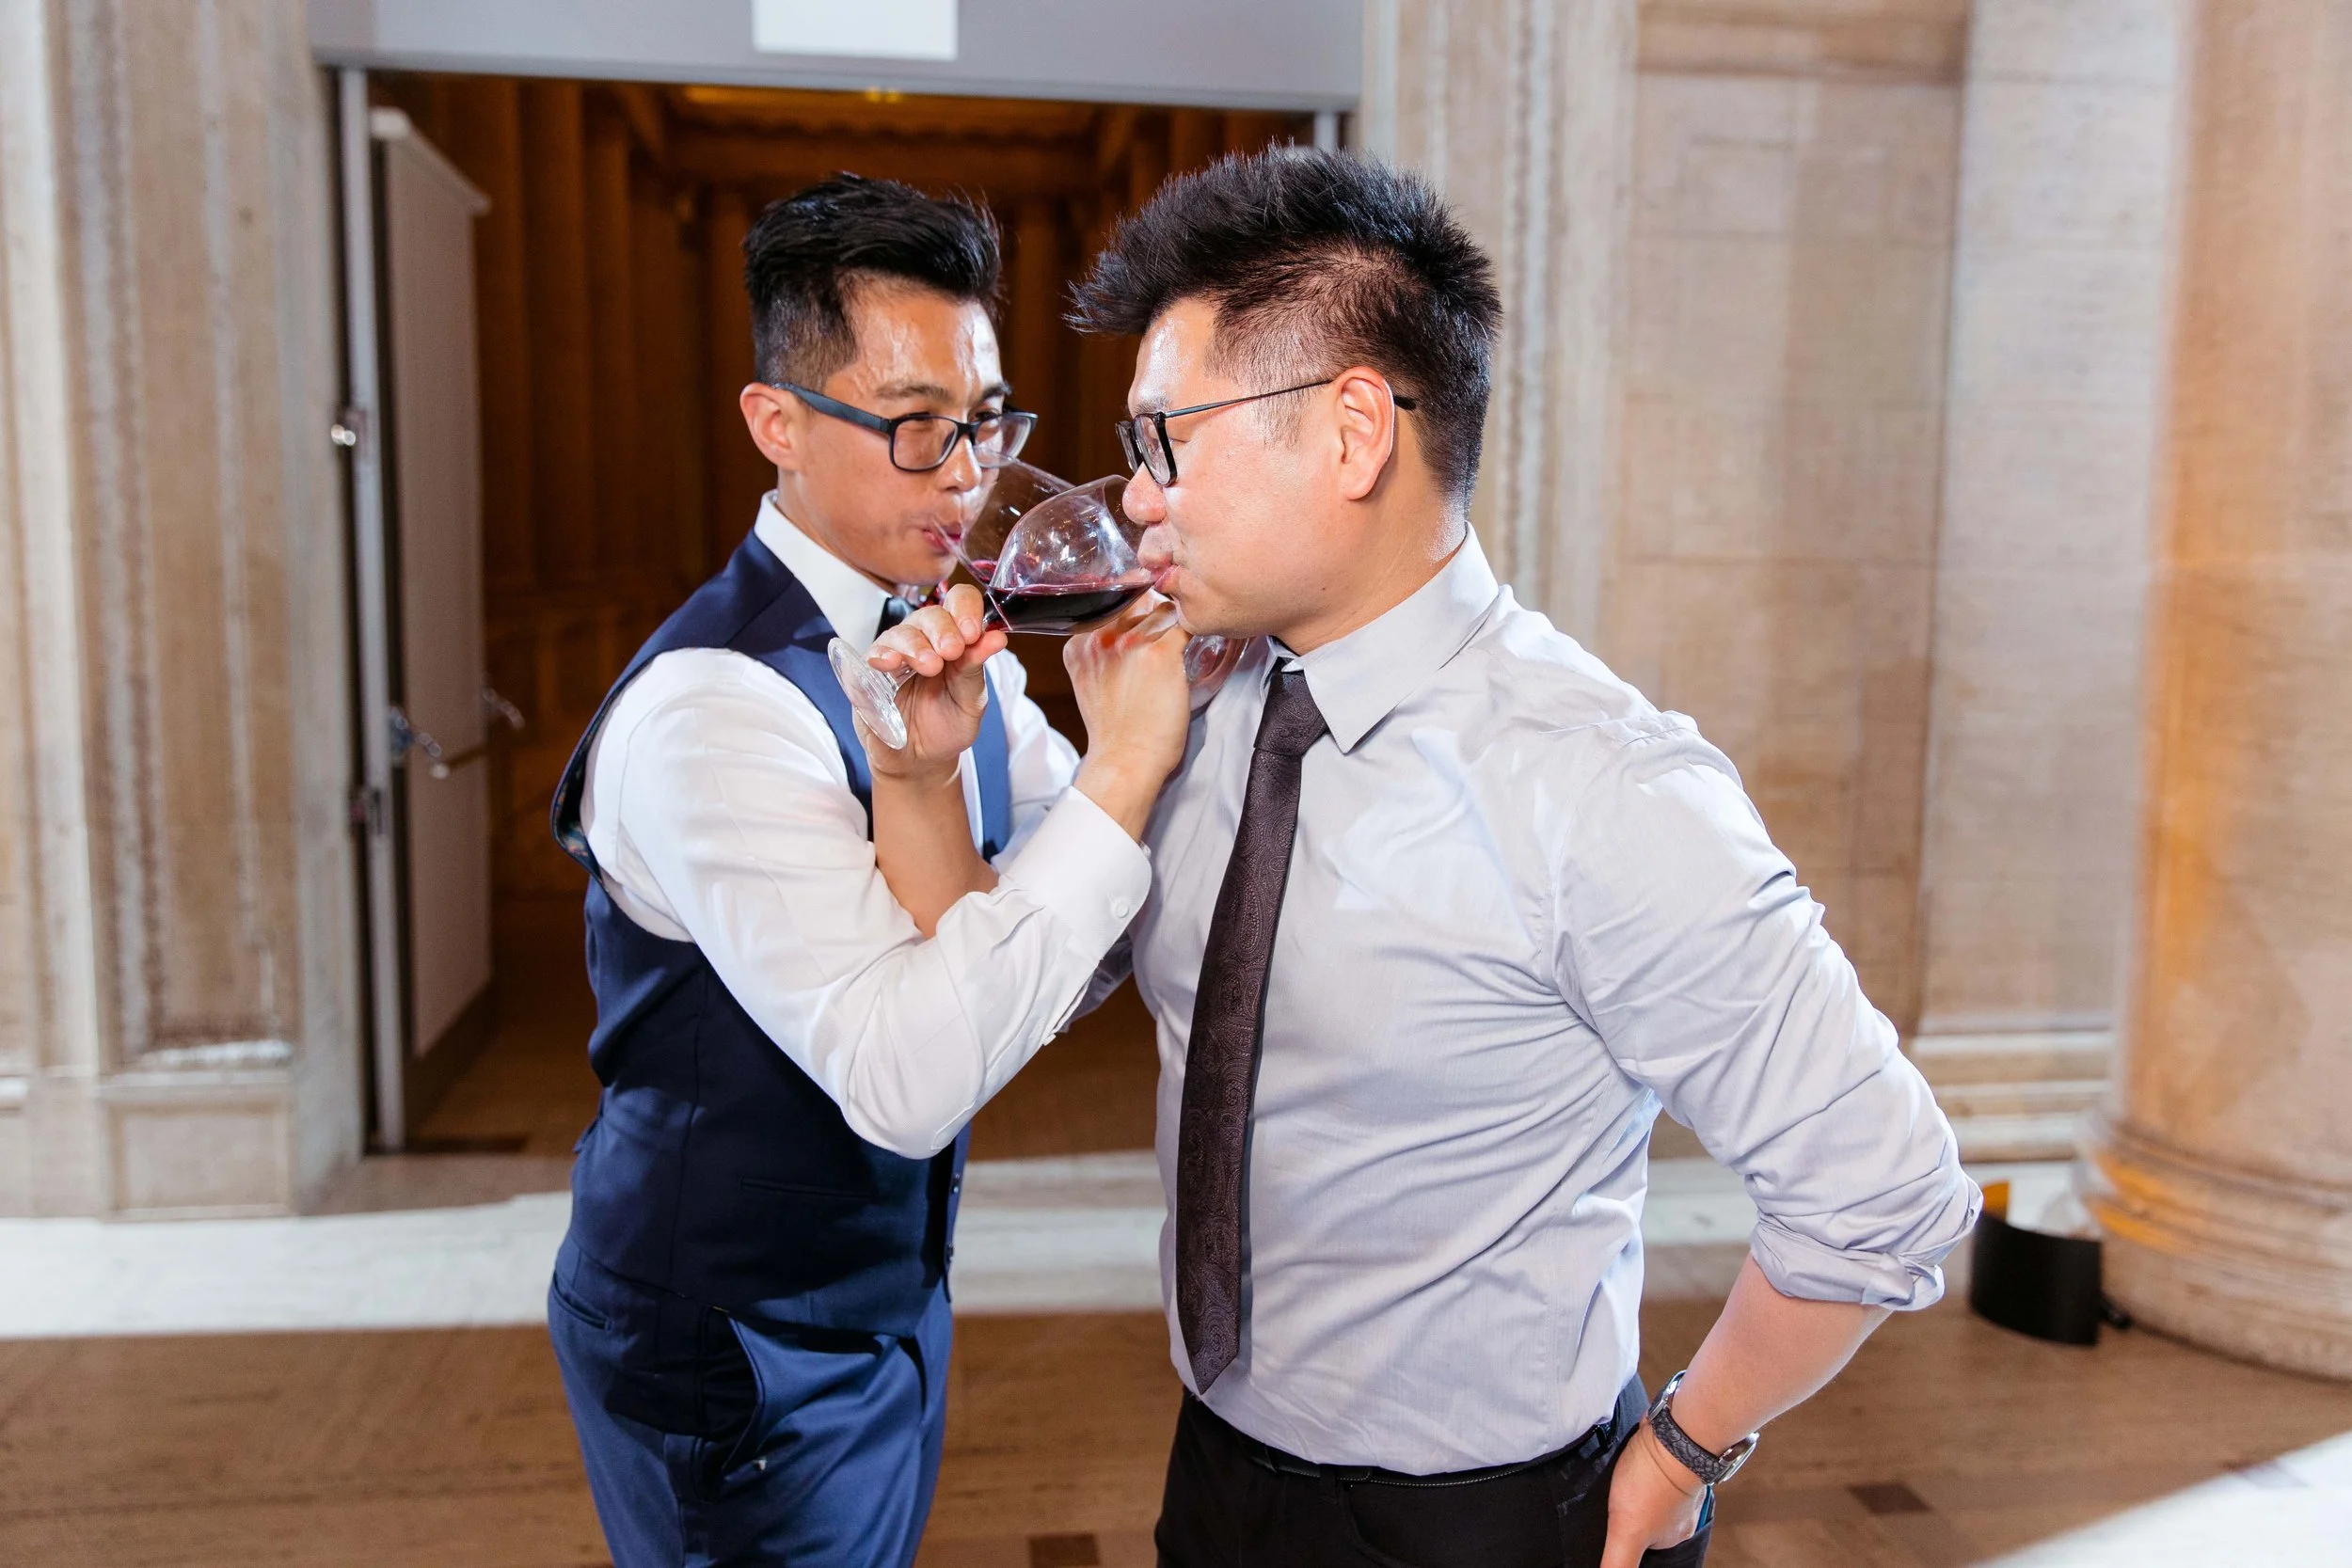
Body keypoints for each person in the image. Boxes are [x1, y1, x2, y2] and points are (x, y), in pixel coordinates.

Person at [865, 149, 1981, 1567]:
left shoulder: (1603, 789)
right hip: (1217, 1472)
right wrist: (921, 772)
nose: (1134, 499)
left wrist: (1686, 1452)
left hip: (1490, 1516)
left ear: (1350, 435)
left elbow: (1882, 1188)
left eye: (1165, 442)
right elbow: (987, 996)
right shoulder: (1184, 708)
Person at [542, 174, 1192, 1568]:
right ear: (777, 425)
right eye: (912, 427)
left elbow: (1021, 943)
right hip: (729, 1336)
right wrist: (1125, 771)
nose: (966, 471)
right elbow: (914, 1070)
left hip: (886, 1295)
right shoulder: (710, 712)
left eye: (985, 419)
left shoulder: (946, 634)